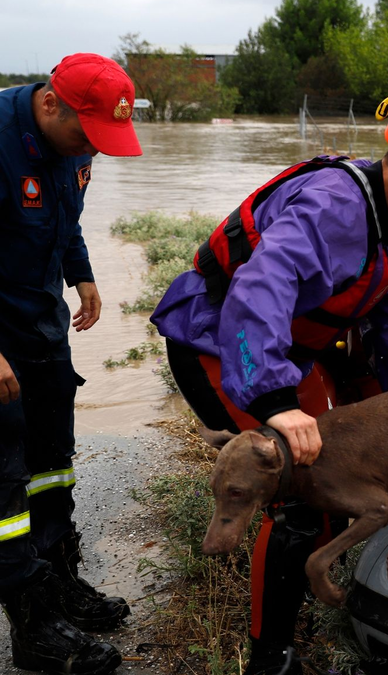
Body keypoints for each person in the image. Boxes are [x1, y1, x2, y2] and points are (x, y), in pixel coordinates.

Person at [150, 93, 388, 674]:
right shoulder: (335, 203)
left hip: (287, 349)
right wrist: (276, 403)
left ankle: (299, 606)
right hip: (220, 341)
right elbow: (259, 289)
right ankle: (272, 660)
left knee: (335, 476)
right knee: (298, 495)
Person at [0, 53, 142, 675]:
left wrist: (81, 275)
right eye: (89, 137)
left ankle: (59, 581)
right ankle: (31, 628)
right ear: (51, 104)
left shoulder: (76, 143)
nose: (96, 150)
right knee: (5, 477)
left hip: (38, 319)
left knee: (52, 458)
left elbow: (67, 221)